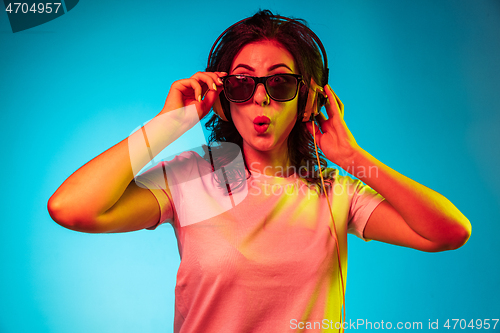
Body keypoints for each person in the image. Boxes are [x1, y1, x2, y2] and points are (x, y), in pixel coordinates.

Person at [47, 10, 471, 333]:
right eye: (242, 84)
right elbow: (72, 208)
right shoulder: (191, 176)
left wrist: (352, 155)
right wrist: (169, 124)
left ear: (307, 100)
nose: (261, 100)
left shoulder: (335, 191)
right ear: (225, 97)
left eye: (281, 83)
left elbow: (449, 232)